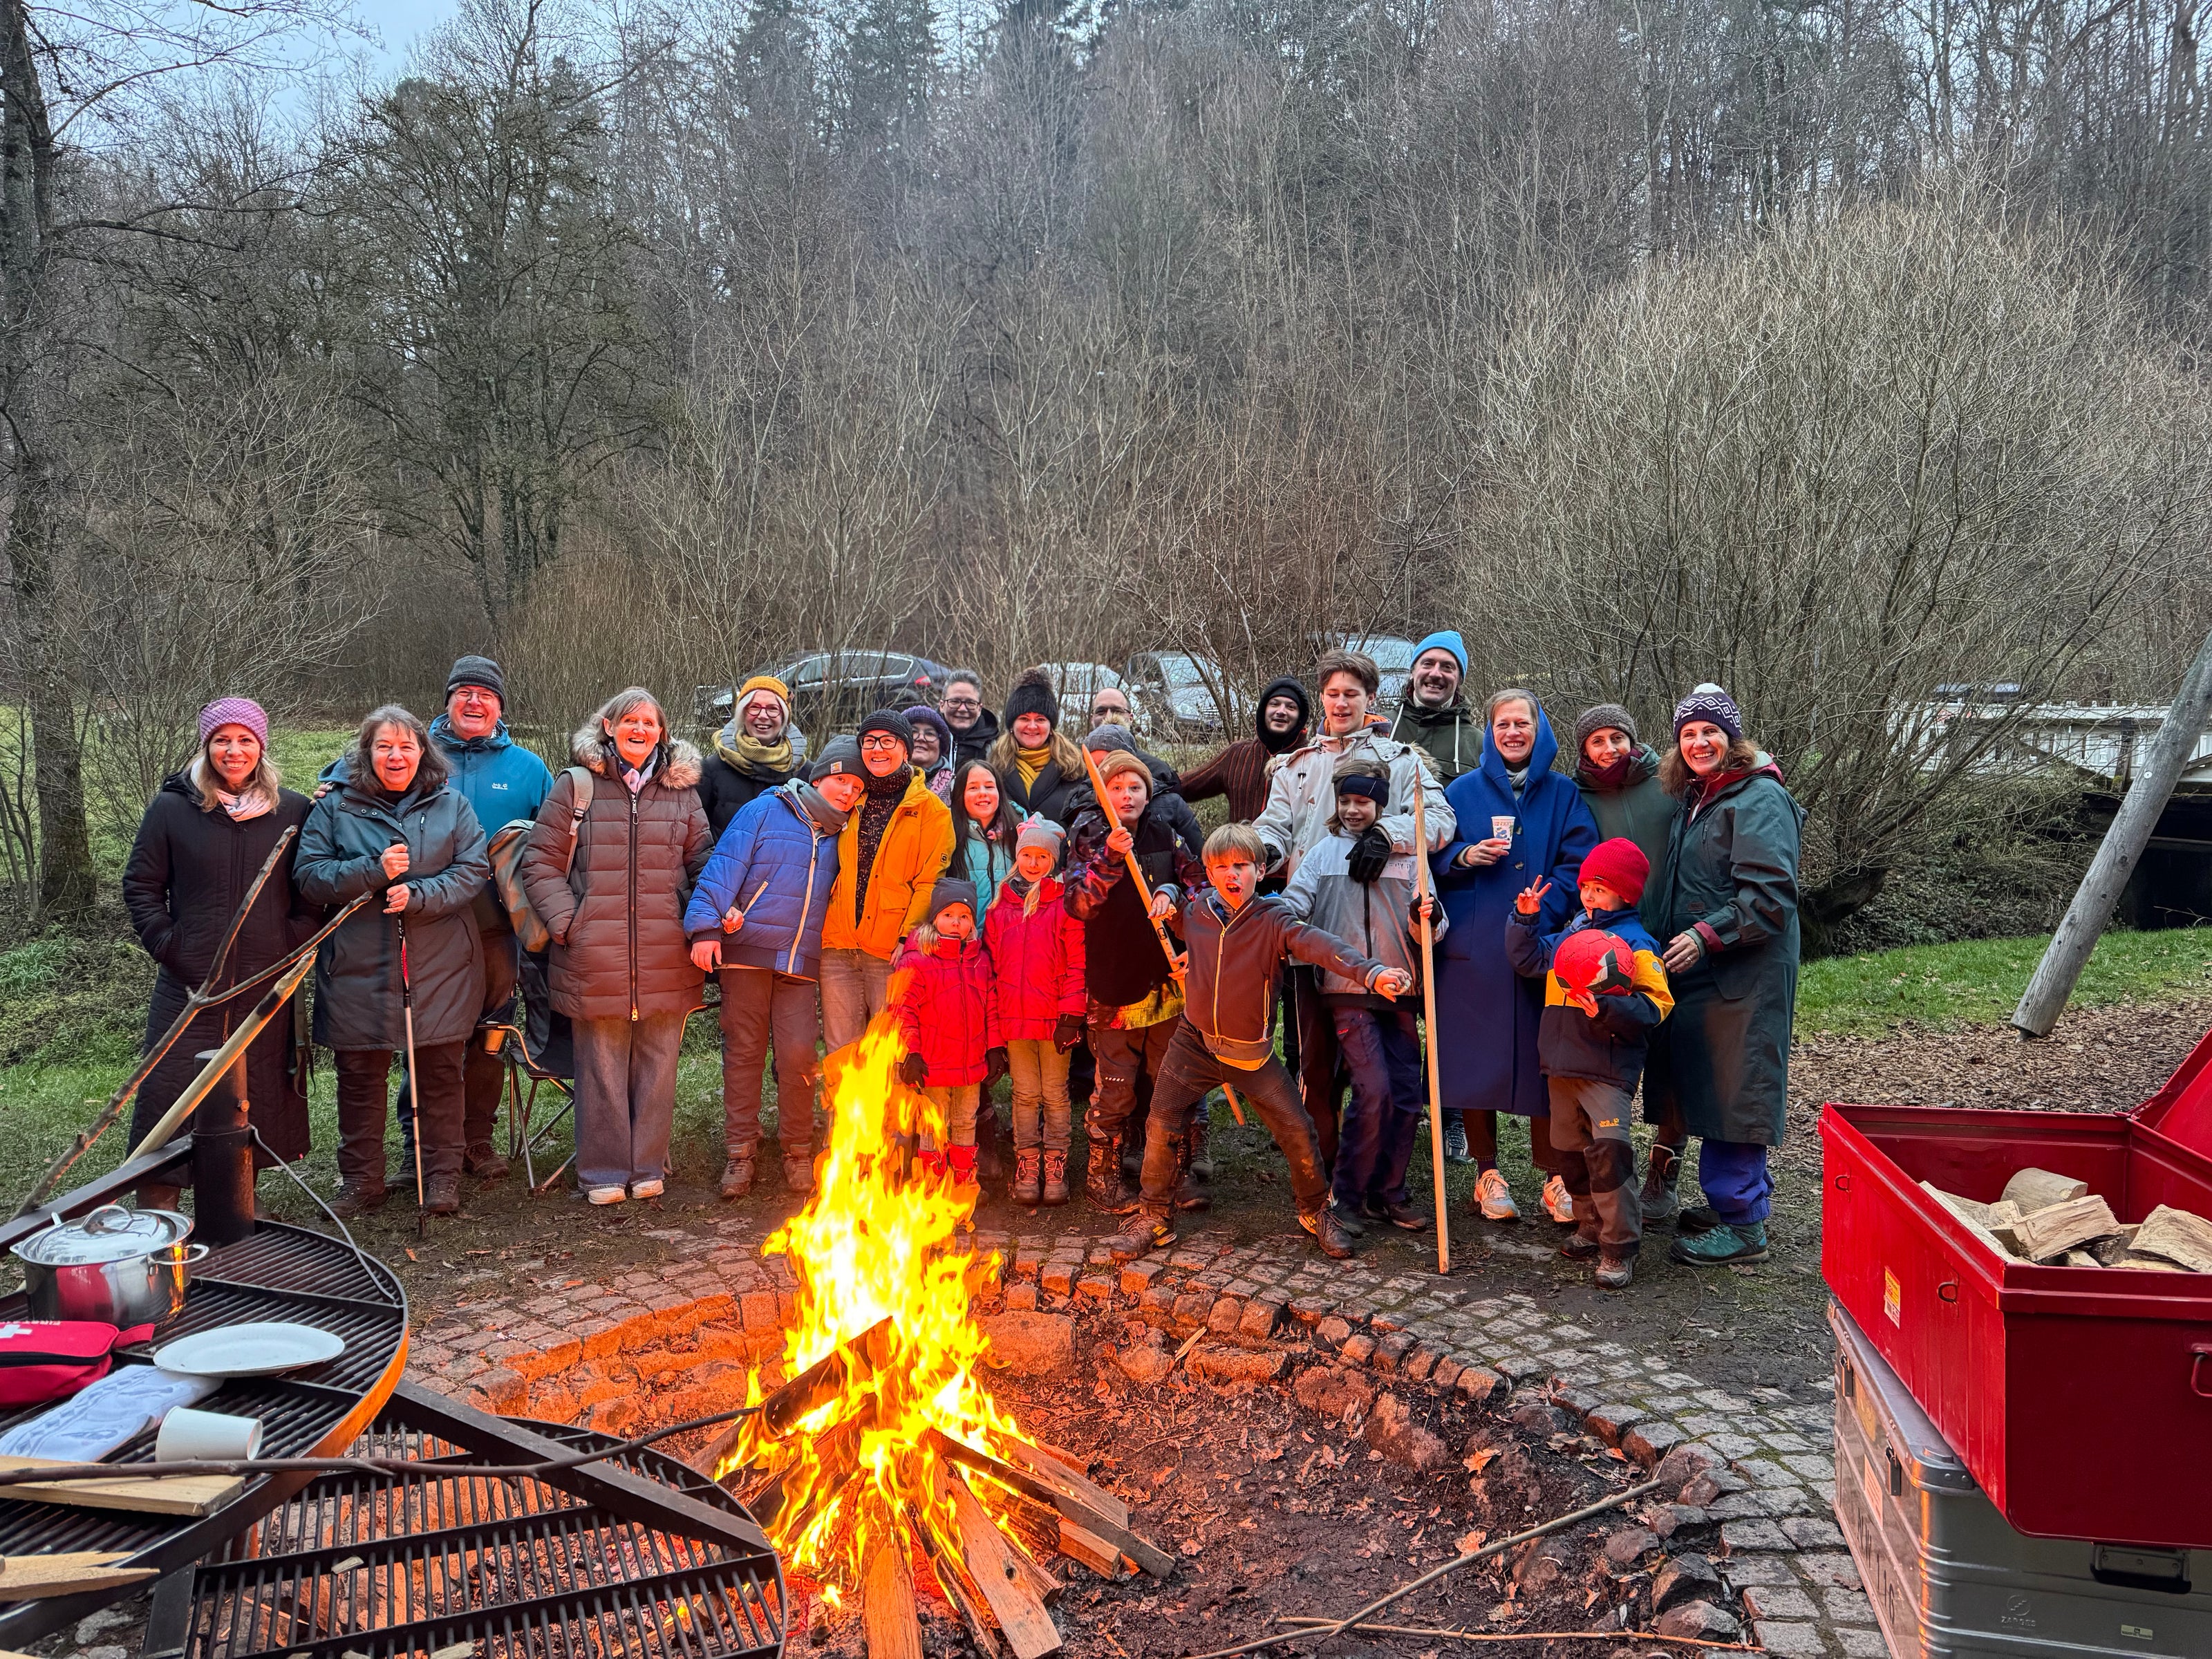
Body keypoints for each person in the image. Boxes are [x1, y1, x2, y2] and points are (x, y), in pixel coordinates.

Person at [1109, 823, 1413, 1263]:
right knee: (1161, 1125)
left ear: (1261, 870)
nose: (1232, 874)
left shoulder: (1275, 919)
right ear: (1209, 874)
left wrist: (1372, 972)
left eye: (1242, 865)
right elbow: (1178, 912)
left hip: (1251, 1053)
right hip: (1194, 1043)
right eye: (1221, 867)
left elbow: (1321, 945)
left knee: (1299, 1130)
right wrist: (1168, 894)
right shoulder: (1199, 911)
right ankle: (1154, 1215)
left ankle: (1314, 1210)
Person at [317, 654, 554, 1182]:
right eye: (464, 693)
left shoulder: (528, 769)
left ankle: (476, 1140)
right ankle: (418, 1148)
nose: (474, 702)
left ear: (500, 707)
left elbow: (553, 845)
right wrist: (329, 781)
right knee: (423, 1037)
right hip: (418, 927)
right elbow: (355, 771)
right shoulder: (416, 750)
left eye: (486, 695)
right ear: (447, 701)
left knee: (489, 1035)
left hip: (494, 928)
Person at [1255, 649, 1452, 1167]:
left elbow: (1440, 818)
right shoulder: (1296, 766)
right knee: (1314, 1060)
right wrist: (1262, 853)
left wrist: (1388, 834)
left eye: (1351, 694)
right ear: (1321, 698)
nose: (1341, 703)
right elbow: (1274, 826)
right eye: (1332, 694)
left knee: (1382, 1063)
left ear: (1371, 698)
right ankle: (1319, 1166)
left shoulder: (1402, 759)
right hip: (1313, 930)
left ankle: (1375, 1166)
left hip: (1382, 935)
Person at [122, 697, 317, 1213]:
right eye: (222, 740)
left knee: (250, 1098)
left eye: (245, 740)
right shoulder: (172, 809)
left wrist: (286, 945)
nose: (234, 751)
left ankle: (236, 1212)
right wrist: (172, 946)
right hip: (189, 987)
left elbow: (312, 892)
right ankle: (157, 1215)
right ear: (206, 747)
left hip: (262, 985)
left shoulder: (292, 812)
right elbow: (141, 885)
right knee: (169, 1097)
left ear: (261, 747)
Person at [519, 688, 711, 1206]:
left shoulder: (681, 793)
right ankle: (603, 1172)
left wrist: (700, 924)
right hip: (594, 954)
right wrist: (570, 925)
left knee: (658, 1065)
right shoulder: (577, 785)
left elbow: (703, 864)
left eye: (649, 722)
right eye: (630, 720)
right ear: (608, 726)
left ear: (662, 732)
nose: (639, 729)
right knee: (600, 1066)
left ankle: (647, 1166)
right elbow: (539, 863)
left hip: (666, 953)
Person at [297, 705, 490, 1217]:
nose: (396, 756)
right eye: (384, 746)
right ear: (367, 753)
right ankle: (362, 1181)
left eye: (407, 746)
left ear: (423, 752)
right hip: (356, 964)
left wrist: (419, 895)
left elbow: (473, 870)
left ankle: (440, 1176)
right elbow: (310, 876)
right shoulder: (334, 806)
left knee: (440, 1074)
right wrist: (372, 871)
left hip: (441, 964)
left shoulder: (452, 804)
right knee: (360, 1075)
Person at [1643, 685, 1806, 1267]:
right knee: (1713, 1087)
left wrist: (1704, 935)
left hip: (1744, 973)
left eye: (1710, 731)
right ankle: (1734, 1203)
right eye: (1688, 734)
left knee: (1738, 1090)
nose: (1699, 742)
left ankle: (1743, 1225)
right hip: (1710, 972)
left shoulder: (1758, 797)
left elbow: (1770, 897)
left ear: (1732, 739)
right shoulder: (1702, 797)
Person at [1434, 688, 1599, 1224]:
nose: (1513, 732)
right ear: (1490, 731)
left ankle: (1555, 1175)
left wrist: (1547, 910)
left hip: (1541, 946)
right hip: (1474, 949)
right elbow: (1430, 854)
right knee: (1473, 1061)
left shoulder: (1564, 793)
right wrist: (1464, 855)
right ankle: (1487, 1173)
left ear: (1538, 729)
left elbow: (1580, 864)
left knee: (1544, 1060)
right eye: (1503, 724)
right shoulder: (1461, 791)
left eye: (1522, 723)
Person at [1277, 758, 1445, 1234]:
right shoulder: (1324, 853)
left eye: (1363, 802)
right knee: (1374, 1090)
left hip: (1400, 989)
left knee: (1408, 1095)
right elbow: (1293, 908)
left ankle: (1387, 1192)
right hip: (1346, 991)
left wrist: (1426, 917)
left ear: (1380, 806)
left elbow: (1434, 929)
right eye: (1346, 801)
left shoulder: (1409, 857)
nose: (1353, 810)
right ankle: (1346, 1195)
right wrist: (1271, 921)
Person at [1503, 838, 1673, 1288]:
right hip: (1561, 1064)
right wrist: (1525, 918)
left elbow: (1657, 1005)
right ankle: (1590, 1223)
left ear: (1626, 894)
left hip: (1607, 1068)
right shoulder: (1571, 936)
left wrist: (1609, 1009)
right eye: (1586, 887)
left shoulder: (1637, 944)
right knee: (1568, 1153)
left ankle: (1619, 1247)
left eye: (1601, 889)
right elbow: (1527, 960)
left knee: (1609, 1156)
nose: (1589, 896)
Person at [684, 767, 860, 1199]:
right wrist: (706, 925)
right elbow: (724, 866)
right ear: (819, 779)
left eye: (857, 788)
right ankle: (740, 1150)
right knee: (744, 1050)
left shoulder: (846, 833)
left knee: (799, 1054)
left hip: (801, 961)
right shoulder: (767, 809)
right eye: (842, 781)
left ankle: (797, 1149)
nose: (849, 792)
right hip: (747, 951)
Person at [1064, 749, 1207, 1210]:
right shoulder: (1089, 835)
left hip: (1166, 978)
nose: (1126, 795)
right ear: (1103, 793)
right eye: (1117, 787)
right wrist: (1110, 857)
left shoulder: (1165, 832)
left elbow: (1201, 888)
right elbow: (1079, 904)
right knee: (1116, 1085)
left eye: (1135, 787)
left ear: (1149, 794)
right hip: (1113, 980)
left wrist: (1173, 895)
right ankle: (1102, 1177)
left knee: (1170, 1079)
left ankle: (1172, 1173)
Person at [1572, 701, 1686, 1219]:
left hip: (1673, 933)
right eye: (1597, 741)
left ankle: (1665, 1167)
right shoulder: (1579, 796)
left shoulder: (1669, 783)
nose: (1609, 748)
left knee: (1674, 1058)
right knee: (1605, 1054)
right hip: (1609, 942)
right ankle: (1602, 1178)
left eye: (1617, 738)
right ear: (1584, 750)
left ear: (1633, 740)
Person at [818, 713, 955, 1051]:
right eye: (869, 741)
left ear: (906, 750)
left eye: (887, 741)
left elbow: (929, 881)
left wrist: (909, 937)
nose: (877, 749)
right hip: (837, 943)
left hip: (890, 948)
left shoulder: (931, 811)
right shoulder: (850, 798)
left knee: (889, 1050)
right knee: (841, 1049)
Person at [986, 818, 1086, 1206]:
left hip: (1054, 1019)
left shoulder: (1064, 905)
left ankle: (1056, 1162)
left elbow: (1077, 964)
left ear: (1053, 861)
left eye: (1042, 856)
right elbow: (992, 971)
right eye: (1027, 855)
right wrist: (995, 1030)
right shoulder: (999, 907)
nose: (1033, 863)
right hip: (1014, 1020)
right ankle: (1028, 1163)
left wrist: (1071, 1016)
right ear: (1017, 857)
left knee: (1055, 1094)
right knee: (1025, 1094)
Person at [892, 879, 1006, 1188]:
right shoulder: (917, 959)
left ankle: (962, 1185)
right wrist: (911, 1053)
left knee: (966, 1121)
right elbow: (903, 1010)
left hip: (971, 1065)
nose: (956, 923)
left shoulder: (980, 960)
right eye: (948, 915)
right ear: (935, 918)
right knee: (934, 1124)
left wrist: (995, 1048)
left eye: (964, 916)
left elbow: (991, 1007)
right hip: (933, 1065)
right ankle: (931, 1185)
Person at [1181, 676, 1311, 825]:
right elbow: (1188, 785)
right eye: (1274, 704)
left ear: (1300, 717)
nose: (1281, 711)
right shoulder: (1237, 754)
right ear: (1263, 710)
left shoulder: (1310, 759)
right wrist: (1158, 779)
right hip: (1239, 840)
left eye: (1291, 707)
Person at [699, 675, 799, 838]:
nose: (763, 715)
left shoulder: (805, 774)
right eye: (754, 707)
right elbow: (697, 836)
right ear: (742, 714)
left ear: (785, 717)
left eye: (773, 709)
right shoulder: (711, 769)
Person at [990, 669, 1087, 825]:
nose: (1032, 726)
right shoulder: (994, 768)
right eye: (1024, 718)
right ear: (1012, 725)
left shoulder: (1075, 768)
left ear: (1051, 726)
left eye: (1040, 719)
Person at [1388, 631, 1482, 785]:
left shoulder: (1479, 745)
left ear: (1459, 679)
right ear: (1412, 671)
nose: (1436, 674)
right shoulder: (1379, 729)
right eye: (1428, 664)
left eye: (1447, 667)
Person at [950, 758, 1027, 893]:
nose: (983, 793)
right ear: (960, 795)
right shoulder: (948, 833)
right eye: (973, 788)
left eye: (989, 787)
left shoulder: (1021, 830)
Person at [941, 670, 1000, 765]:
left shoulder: (995, 747)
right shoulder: (925, 739)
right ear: (942, 705)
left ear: (979, 708)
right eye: (955, 702)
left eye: (970, 703)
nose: (962, 709)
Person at [903, 704, 957, 801]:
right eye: (913, 732)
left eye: (929, 734)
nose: (921, 738)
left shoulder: (957, 787)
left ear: (941, 745)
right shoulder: (881, 782)